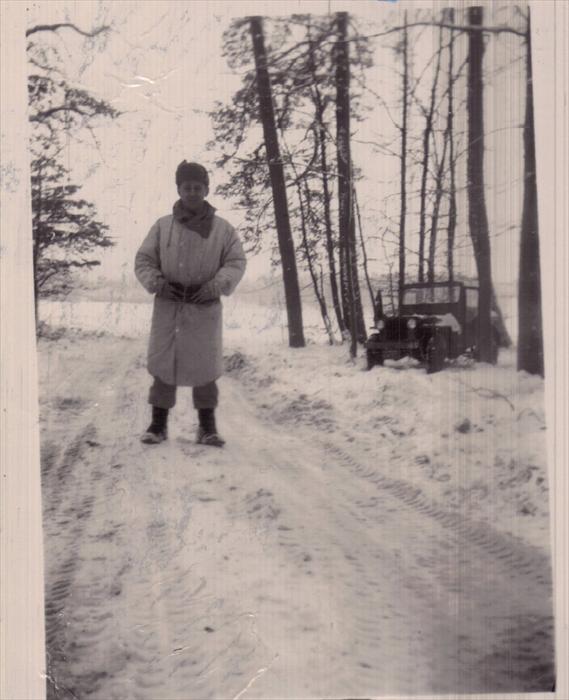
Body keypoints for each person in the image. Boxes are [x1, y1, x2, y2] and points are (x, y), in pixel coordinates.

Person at [135, 161, 246, 447]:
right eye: (187, 187)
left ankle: (207, 428)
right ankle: (157, 426)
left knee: (205, 370)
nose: (193, 192)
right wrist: (159, 283)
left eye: (198, 187)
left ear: (207, 189)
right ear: (179, 189)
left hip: (204, 308)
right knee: (163, 367)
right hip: (169, 307)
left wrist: (214, 286)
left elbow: (235, 262)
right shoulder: (162, 227)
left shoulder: (223, 230)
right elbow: (144, 260)